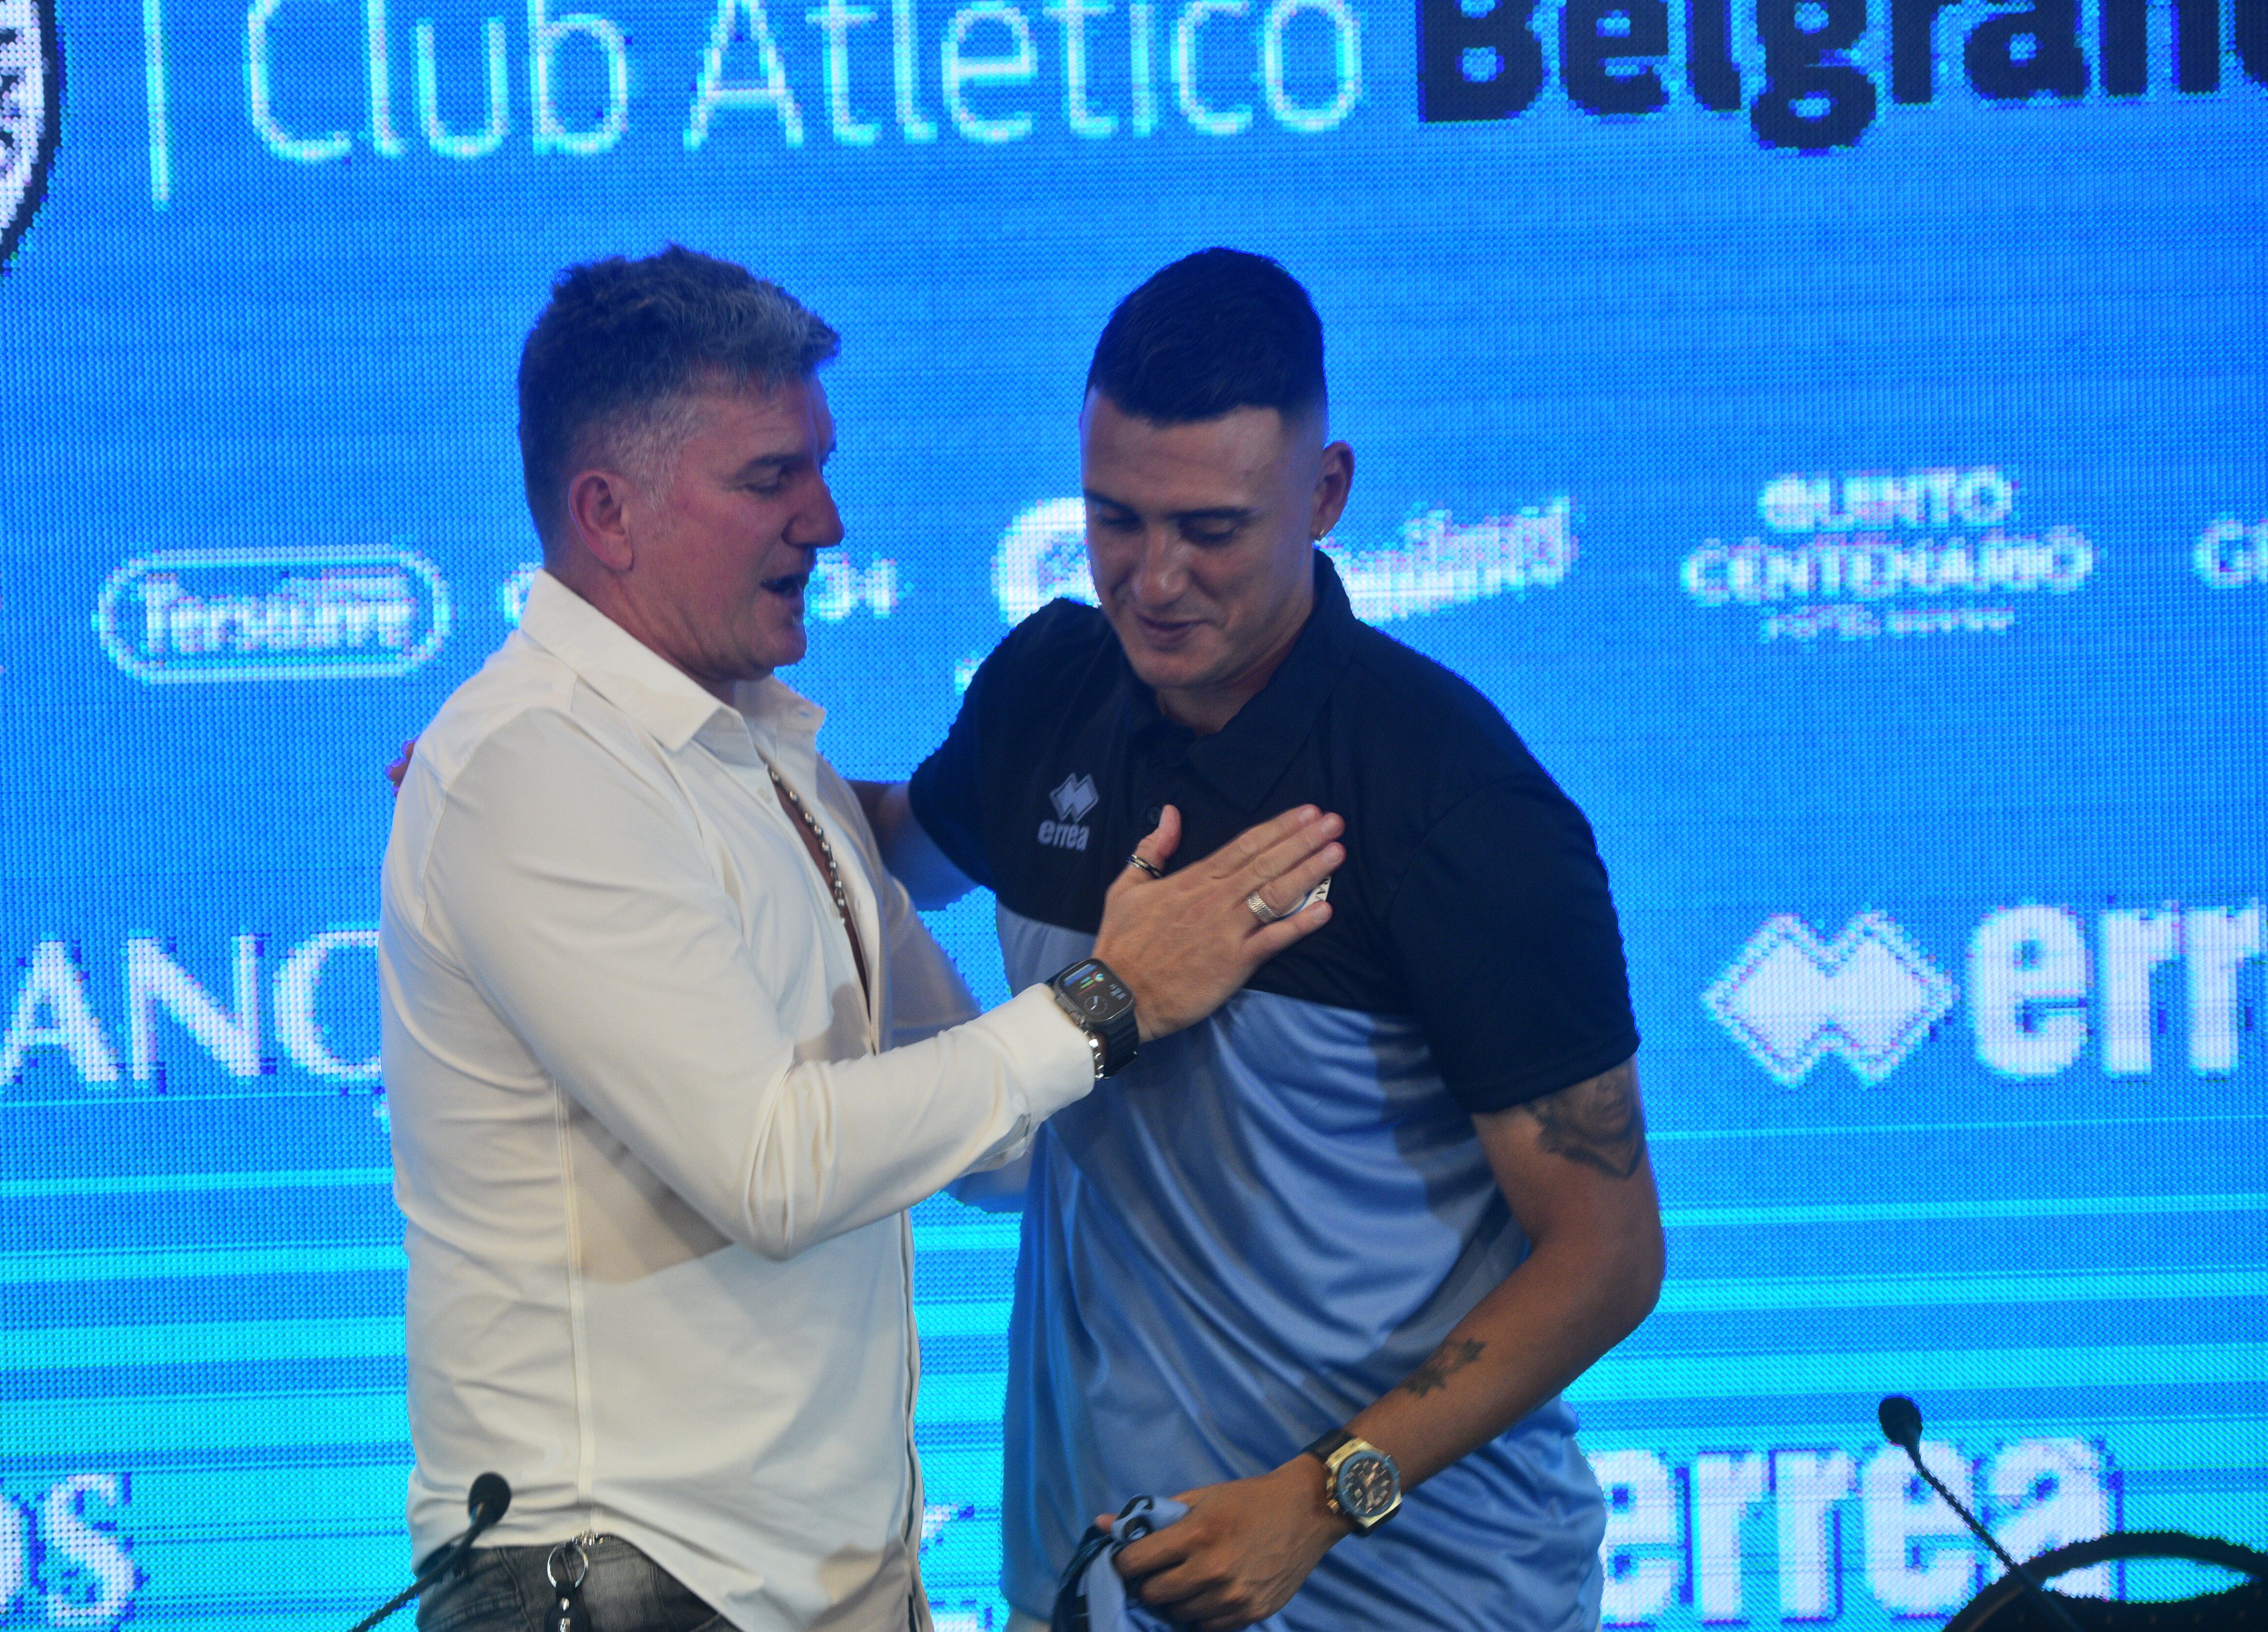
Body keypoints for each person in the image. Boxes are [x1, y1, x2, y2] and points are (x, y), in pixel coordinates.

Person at [377, 246, 1346, 1632]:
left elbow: (999, 1137)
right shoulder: (533, 770)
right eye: (771, 478)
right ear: (608, 512)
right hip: (615, 1584)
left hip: (823, 1589)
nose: (827, 521)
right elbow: (771, 1167)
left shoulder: (763, 759)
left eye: (819, 468)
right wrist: (1113, 994)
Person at [859, 249, 1664, 1632]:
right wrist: (626, 771)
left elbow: (1606, 1252)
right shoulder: (1048, 689)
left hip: (1423, 1592)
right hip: (1110, 1581)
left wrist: (1321, 1494)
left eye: (1212, 529)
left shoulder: (1455, 801)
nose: (1153, 579)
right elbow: (881, 849)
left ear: (1328, 494)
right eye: (1114, 518)